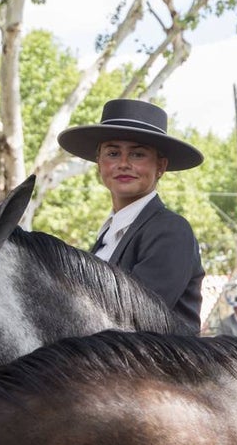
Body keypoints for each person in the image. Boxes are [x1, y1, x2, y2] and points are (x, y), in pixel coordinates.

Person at [58, 99, 205, 332]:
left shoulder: (170, 231)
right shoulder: (106, 236)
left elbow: (135, 320)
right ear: (99, 162)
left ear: (161, 166)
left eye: (137, 154)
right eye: (113, 153)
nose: (123, 164)